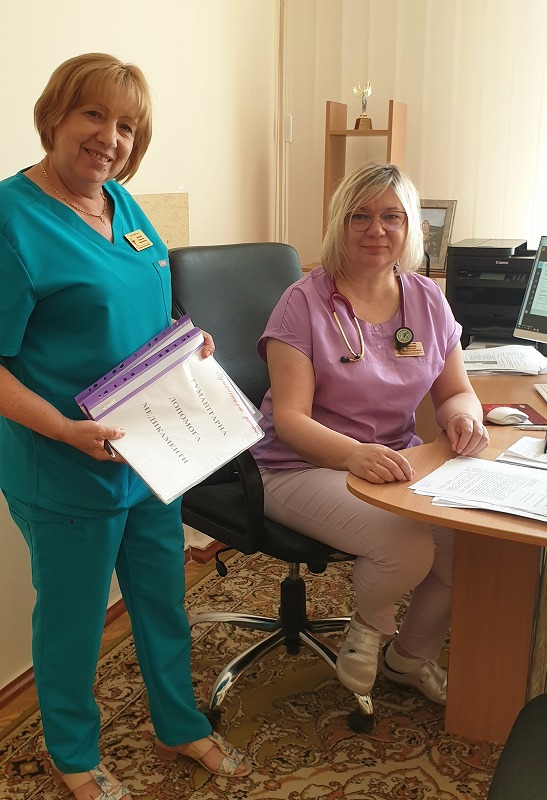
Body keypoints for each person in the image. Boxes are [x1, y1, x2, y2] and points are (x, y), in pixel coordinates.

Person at [0, 53, 250, 800]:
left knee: (162, 600)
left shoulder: (121, 206)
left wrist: (187, 340)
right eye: (94, 114)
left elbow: (150, 307)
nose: (110, 138)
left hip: (150, 455)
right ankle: (73, 754)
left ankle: (178, 724)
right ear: (55, 114)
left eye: (127, 126)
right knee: (74, 622)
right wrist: (62, 429)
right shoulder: (13, 219)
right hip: (66, 466)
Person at [252, 162, 490, 705]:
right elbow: (290, 419)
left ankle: (410, 658)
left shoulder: (427, 298)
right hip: (298, 465)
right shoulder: (303, 302)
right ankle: (369, 624)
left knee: (467, 544)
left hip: (395, 462)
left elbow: (456, 390)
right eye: (359, 216)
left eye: (391, 217)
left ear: (411, 228)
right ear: (339, 223)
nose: (375, 229)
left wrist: (464, 417)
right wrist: (354, 454)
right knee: (407, 546)